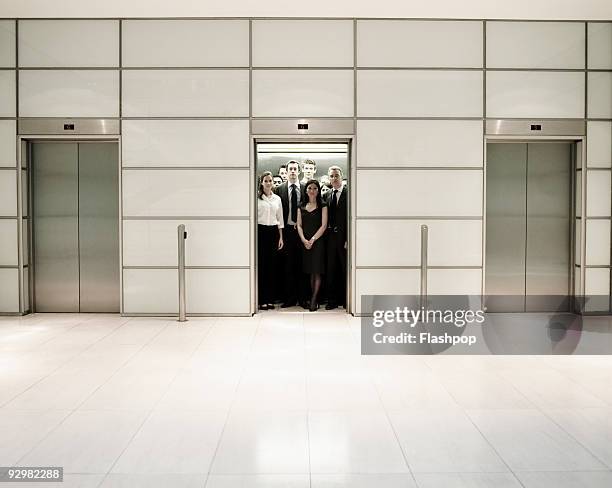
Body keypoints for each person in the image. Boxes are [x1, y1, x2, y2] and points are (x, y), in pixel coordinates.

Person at [275, 161, 308, 308]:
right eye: (291, 169)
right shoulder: (279, 189)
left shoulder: (305, 188)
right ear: (287, 172)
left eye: (295, 169)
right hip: (287, 231)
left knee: (302, 265)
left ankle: (303, 298)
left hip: (302, 231)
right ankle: (289, 298)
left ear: (299, 172)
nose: (293, 171)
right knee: (288, 266)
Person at [297, 179, 328, 312]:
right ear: (306, 190)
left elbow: (324, 225)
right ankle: (313, 297)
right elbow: (298, 225)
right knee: (310, 271)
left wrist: (313, 239)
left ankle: (314, 299)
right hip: (305, 242)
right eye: (310, 188)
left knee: (317, 270)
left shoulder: (323, 205)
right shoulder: (301, 205)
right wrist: (304, 240)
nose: (312, 191)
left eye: (315, 188)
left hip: (318, 241)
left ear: (318, 190)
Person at [257, 172, 284, 310]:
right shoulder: (256, 199)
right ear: (261, 182)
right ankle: (261, 300)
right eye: (265, 180)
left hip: (273, 232)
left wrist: (281, 237)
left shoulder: (277, 199)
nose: (268, 183)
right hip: (260, 232)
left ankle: (270, 299)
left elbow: (280, 219)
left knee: (272, 267)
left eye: (270, 180)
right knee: (262, 266)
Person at [323, 166, 348, 310]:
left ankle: (346, 300)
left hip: (343, 238)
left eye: (336, 175)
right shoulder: (327, 195)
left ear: (341, 176)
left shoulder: (349, 193)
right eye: (331, 176)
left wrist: (348, 239)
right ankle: (332, 300)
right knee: (331, 270)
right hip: (330, 238)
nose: (334, 178)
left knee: (344, 269)